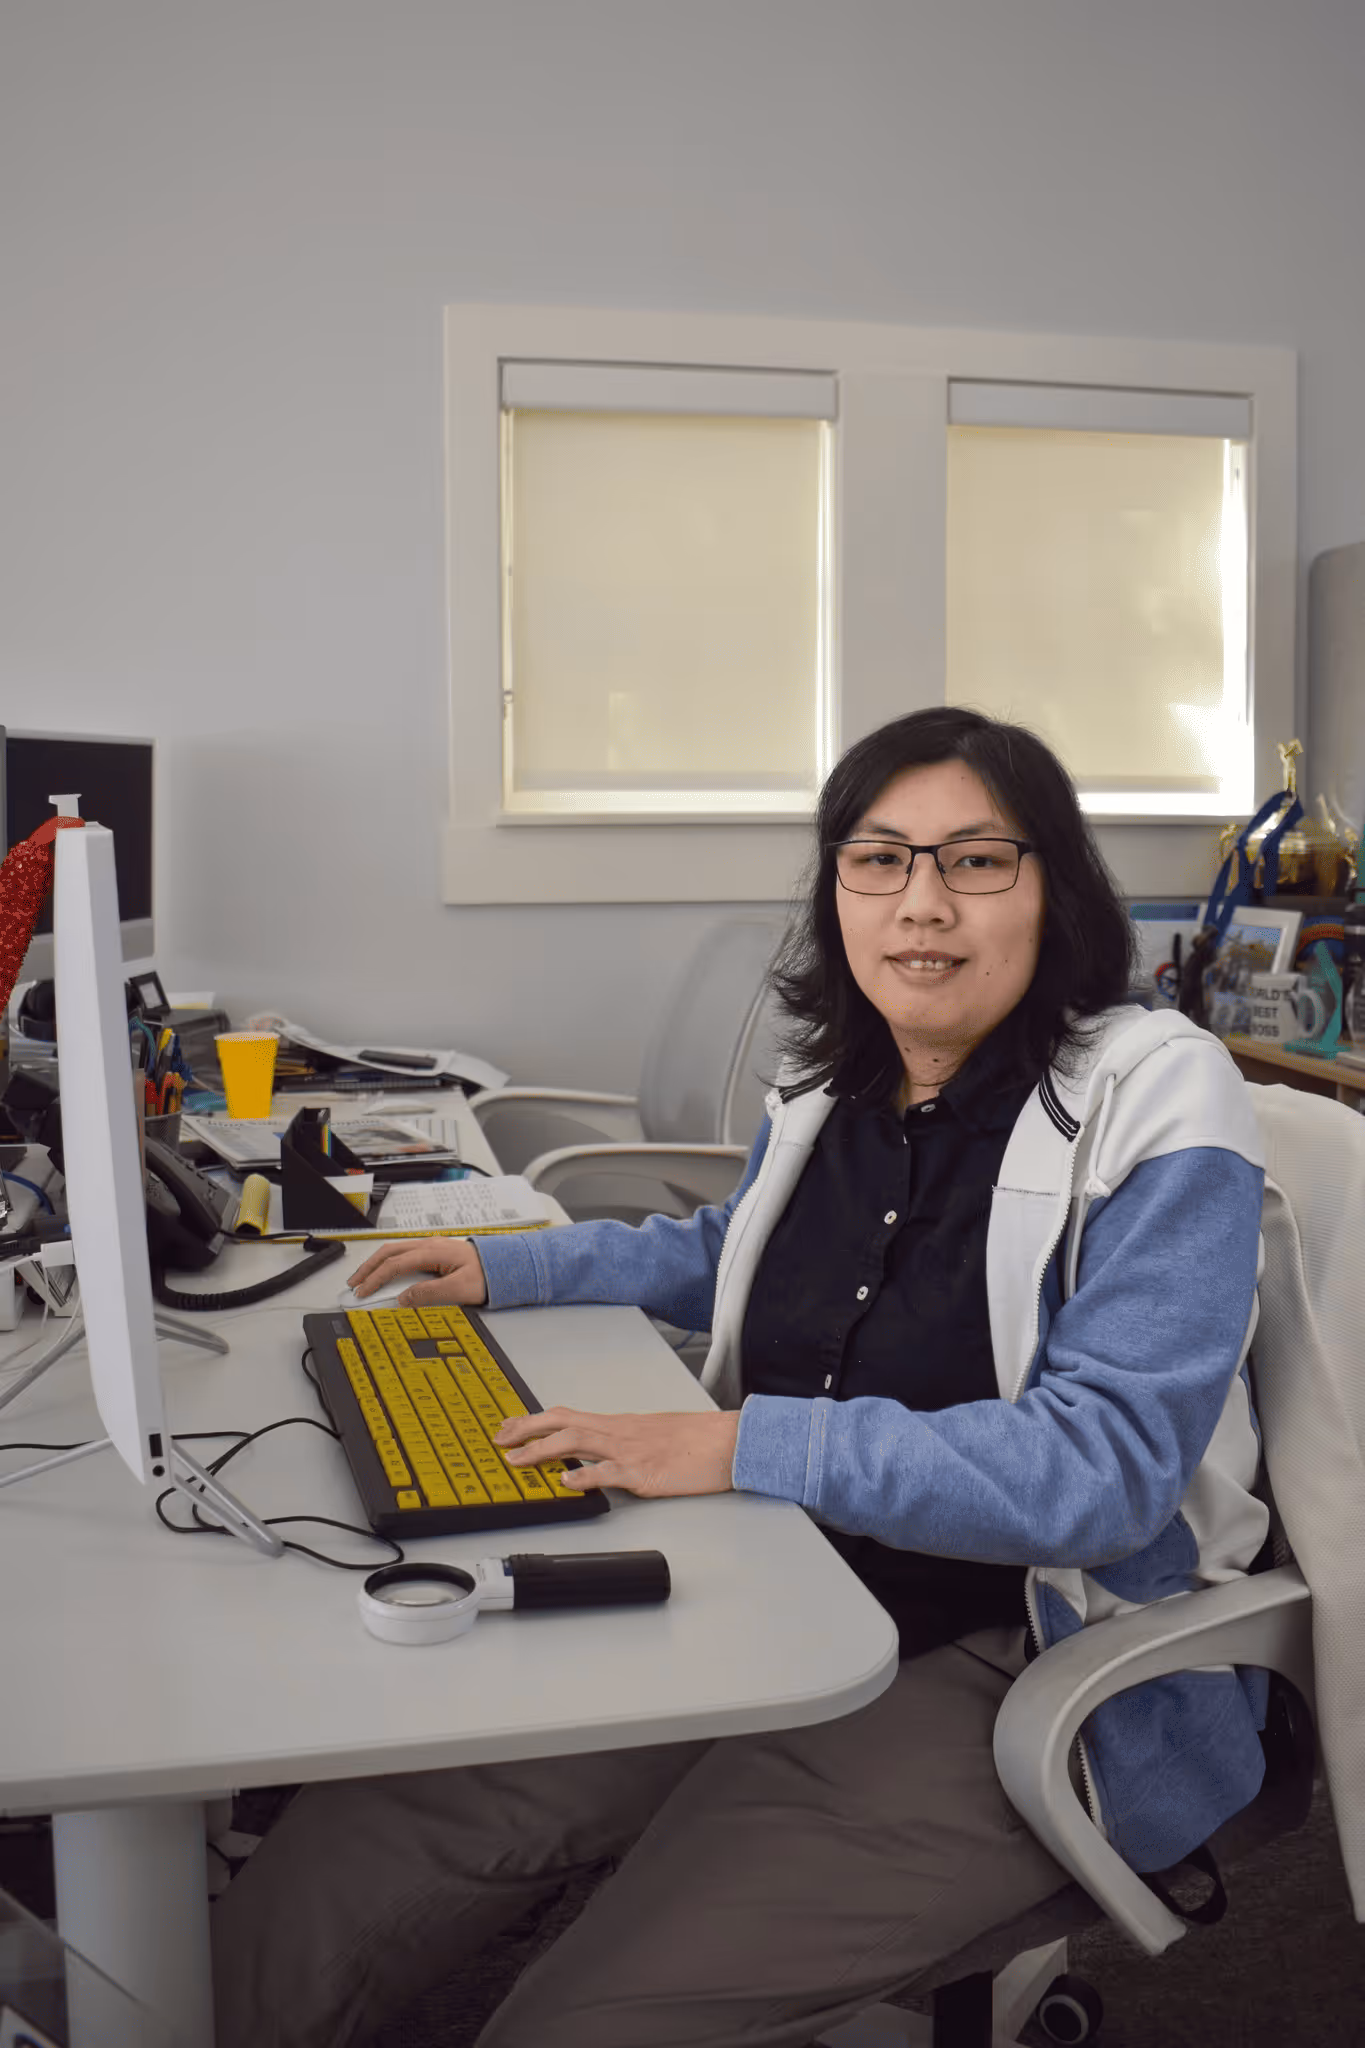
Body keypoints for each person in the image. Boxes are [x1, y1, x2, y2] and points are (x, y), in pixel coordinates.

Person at [213, 707, 1270, 2048]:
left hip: (1007, 1648)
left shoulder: (1158, 1095)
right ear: (837, 891)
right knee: (359, 1843)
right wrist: (509, 1267)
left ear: (1052, 887)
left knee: (584, 2020)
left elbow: (1106, 1473)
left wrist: (735, 1447)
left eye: (977, 862)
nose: (922, 904)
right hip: (773, 1576)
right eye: (877, 860)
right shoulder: (843, 1081)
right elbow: (735, 1244)